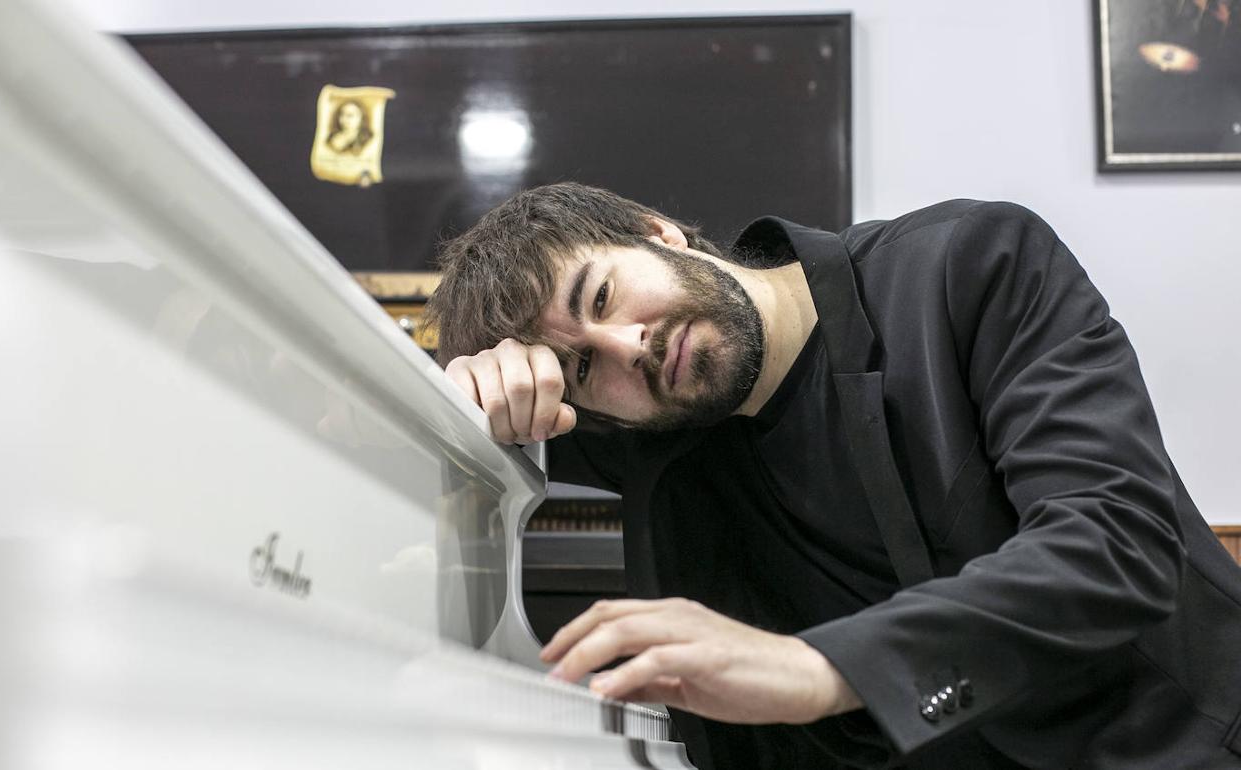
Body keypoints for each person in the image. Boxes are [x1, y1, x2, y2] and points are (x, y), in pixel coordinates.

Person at [425, 182, 1241, 769]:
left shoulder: (969, 265)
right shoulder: (648, 438)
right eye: (580, 368)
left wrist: (824, 669)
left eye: (602, 296)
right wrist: (471, 397)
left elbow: (1114, 543)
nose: (628, 347)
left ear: (658, 233)